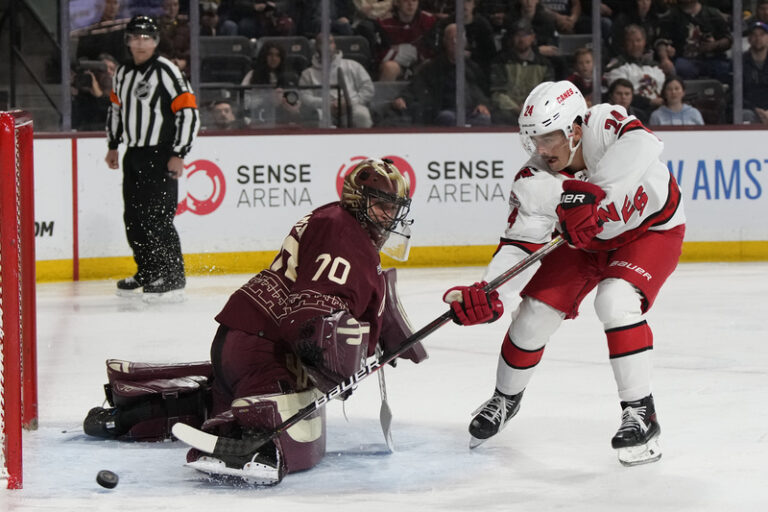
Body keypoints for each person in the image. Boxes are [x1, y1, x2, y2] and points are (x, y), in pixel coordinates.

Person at [445, 80, 685, 467]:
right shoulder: (532, 180)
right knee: (532, 316)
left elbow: (645, 144)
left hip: (650, 232)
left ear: (575, 128)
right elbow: (519, 246)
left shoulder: (604, 122)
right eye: (532, 140)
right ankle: (506, 398)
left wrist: (596, 195)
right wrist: (490, 292)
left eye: (548, 138)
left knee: (615, 301)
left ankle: (642, 414)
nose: (540, 149)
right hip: (584, 245)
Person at [105, 16, 199, 301]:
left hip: (161, 154)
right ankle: (146, 270)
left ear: (156, 41)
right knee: (133, 217)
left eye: (146, 38)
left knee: (158, 217)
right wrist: (113, 145)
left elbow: (189, 111)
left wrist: (179, 153)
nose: (141, 43)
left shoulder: (166, 70)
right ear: (128, 41)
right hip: (134, 154)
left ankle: (172, 274)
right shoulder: (122, 73)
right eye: (135, 37)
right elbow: (116, 110)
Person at [390, 23, 491, 126]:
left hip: (470, 111)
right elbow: (416, 86)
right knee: (447, 118)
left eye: (458, 39)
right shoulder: (433, 67)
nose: (455, 43)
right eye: (451, 39)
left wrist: (482, 104)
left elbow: (482, 91)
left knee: (484, 119)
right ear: (445, 42)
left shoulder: (472, 67)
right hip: (445, 111)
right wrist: (403, 98)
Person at [299, 33, 375, 128]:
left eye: (330, 42)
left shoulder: (353, 65)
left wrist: (349, 102)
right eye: (322, 43)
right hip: (323, 110)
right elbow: (305, 97)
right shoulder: (307, 73)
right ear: (316, 47)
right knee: (315, 119)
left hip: (351, 106)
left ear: (335, 45)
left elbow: (368, 89)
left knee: (362, 115)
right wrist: (327, 104)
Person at [489, 19, 555, 125]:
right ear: (512, 38)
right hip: (508, 114)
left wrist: (530, 109)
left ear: (532, 37)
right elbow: (497, 93)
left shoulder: (544, 64)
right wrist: (516, 108)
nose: (521, 39)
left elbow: (547, 94)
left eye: (525, 35)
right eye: (517, 35)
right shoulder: (501, 62)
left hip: (536, 115)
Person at [656, 0, 732, 83]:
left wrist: (713, 45)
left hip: (713, 60)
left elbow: (728, 39)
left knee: (725, 68)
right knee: (682, 67)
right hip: (685, 60)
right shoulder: (671, 16)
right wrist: (665, 59)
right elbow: (661, 41)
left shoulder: (713, 14)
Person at [603, 24, 666, 115]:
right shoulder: (617, 67)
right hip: (631, 112)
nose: (635, 44)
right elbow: (620, 96)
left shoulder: (655, 66)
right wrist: (649, 102)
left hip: (659, 112)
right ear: (625, 43)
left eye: (638, 40)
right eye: (631, 41)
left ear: (644, 42)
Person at [377, 0, 437, 81]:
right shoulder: (384, 22)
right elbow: (381, 55)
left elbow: (431, 51)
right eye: (405, 0)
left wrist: (400, 49)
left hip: (420, 63)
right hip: (396, 64)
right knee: (390, 68)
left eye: (414, 0)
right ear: (396, 2)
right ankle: (384, 94)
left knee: (431, 65)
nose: (410, 4)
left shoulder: (428, 20)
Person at [743, 20, 768, 124]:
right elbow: (735, 93)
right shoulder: (740, 62)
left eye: (762, 35)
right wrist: (756, 109)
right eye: (754, 35)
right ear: (749, 39)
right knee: (744, 115)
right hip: (750, 110)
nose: (758, 38)